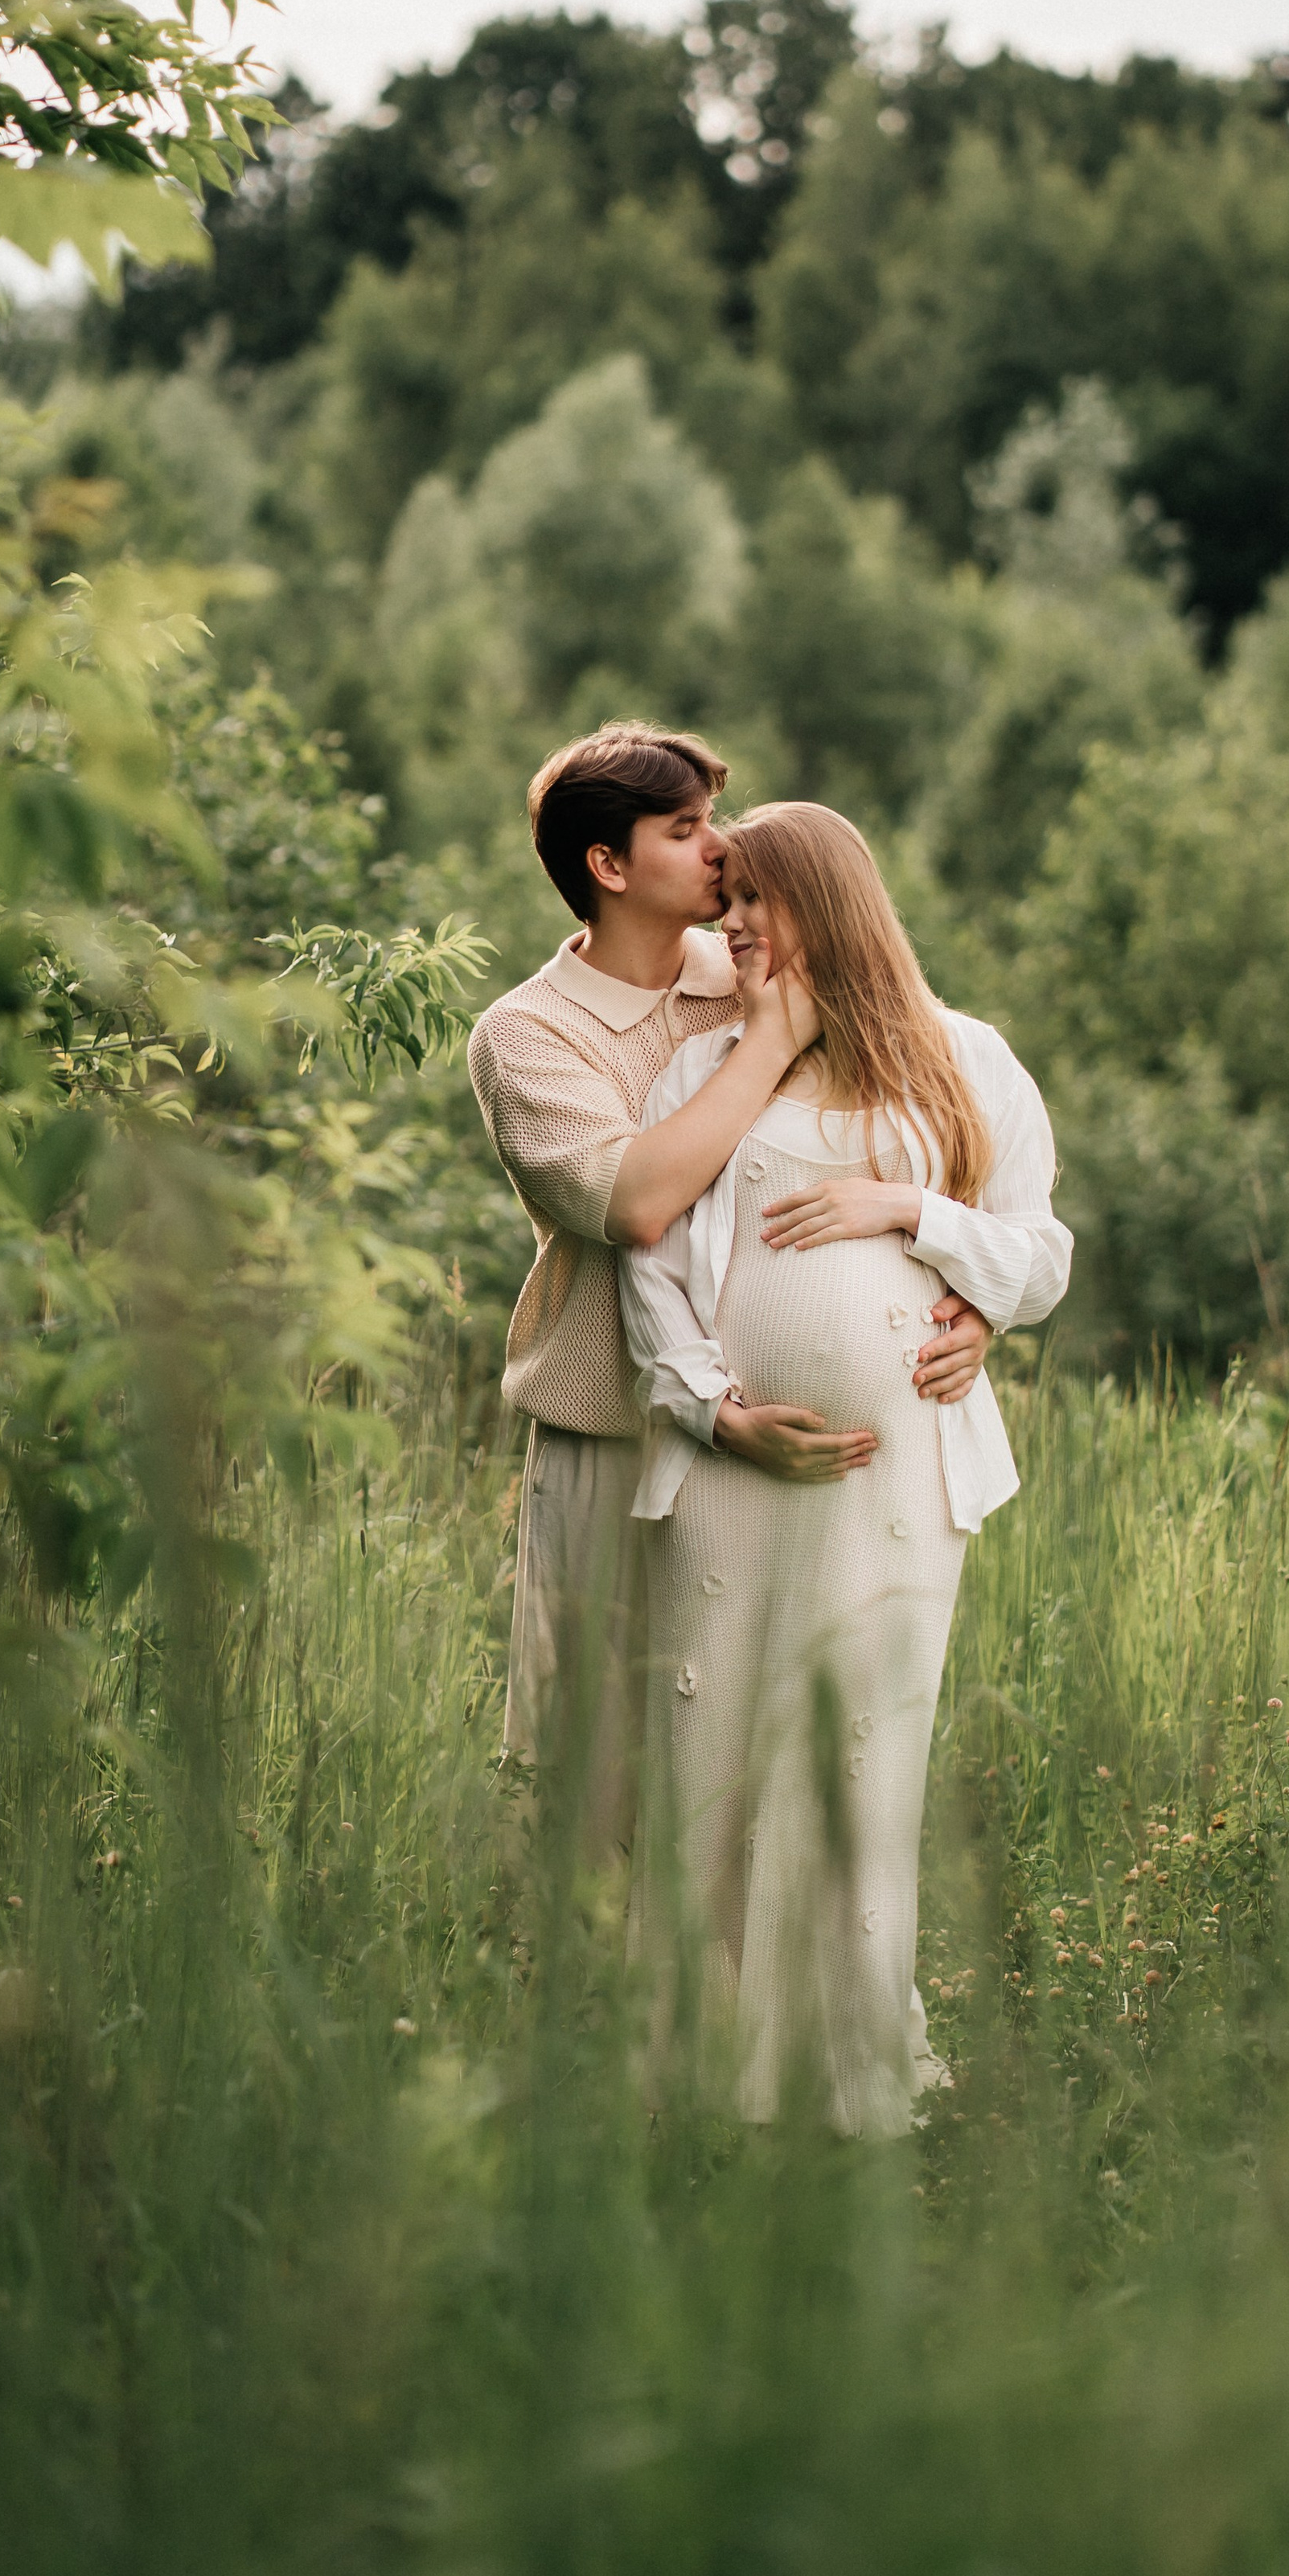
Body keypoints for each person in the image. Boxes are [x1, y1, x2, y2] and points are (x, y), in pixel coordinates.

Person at [618, 801, 1071, 2135]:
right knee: (711, 1763)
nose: (734, 922)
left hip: (896, 1486)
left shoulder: (966, 1062)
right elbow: (648, 1275)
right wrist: (712, 1412)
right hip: (726, 1482)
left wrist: (911, 1215)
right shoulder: (702, 1077)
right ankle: (701, 2078)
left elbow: (1039, 1258)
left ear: (835, 902)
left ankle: (841, 2077)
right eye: (729, 899)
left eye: (760, 899)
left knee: (859, 1767)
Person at [465, 728, 994, 1864]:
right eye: (686, 830)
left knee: (736, 1767)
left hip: (760, 1459)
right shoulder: (528, 1037)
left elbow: (934, 1106)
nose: (721, 854)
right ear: (610, 868)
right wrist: (766, 1041)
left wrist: (973, 1297)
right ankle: (588, 2026)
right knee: (595, 1770)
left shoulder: (745, 964)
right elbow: (641, 1201)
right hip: (614, 1431)